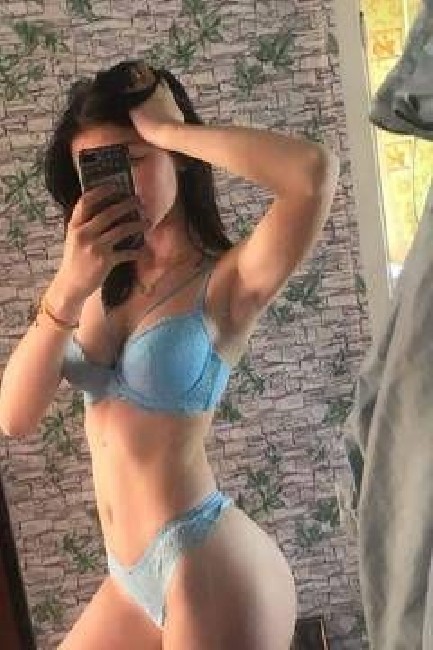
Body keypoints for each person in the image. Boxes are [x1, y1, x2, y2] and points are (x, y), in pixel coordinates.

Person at [0, 59, 339, 649]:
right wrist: (68, 287)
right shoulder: (90, 285)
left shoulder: (227, 282)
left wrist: (169, 131)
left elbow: (312, 174)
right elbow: (14, 418)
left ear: (175, 157)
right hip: (128, 576)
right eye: (97, 170)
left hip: (207, 563)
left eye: (133, 159)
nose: (119, 185)